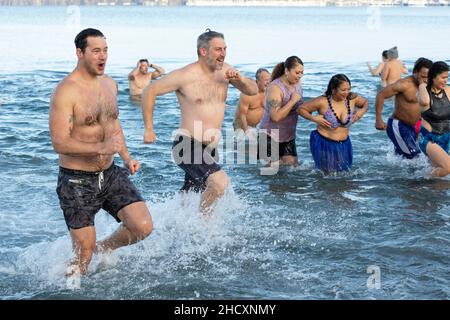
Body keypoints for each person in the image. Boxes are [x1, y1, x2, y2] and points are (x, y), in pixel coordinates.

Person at [49, 28, 153, 277]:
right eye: (95, 50)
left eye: (105, 50)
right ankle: (70, 292)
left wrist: (126, 157)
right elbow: (59, 142)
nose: (102, 56)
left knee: (142, 226)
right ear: (79, 52)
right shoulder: (66, 92)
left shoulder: (109, 84)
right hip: (76, 181)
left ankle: (104, 248)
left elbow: (114, 125)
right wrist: (100, 148)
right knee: (82, 255)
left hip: (110, 173)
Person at [141, 29, 257, 214]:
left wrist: (240, 79)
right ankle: (203, 230)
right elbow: (149, 91)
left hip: (210, 148)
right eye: (218, 49)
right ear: (204, 51)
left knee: (190, 196)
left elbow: (253, 90)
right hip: (186, 144)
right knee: (219, 183)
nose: (224, 53)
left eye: (225, 49)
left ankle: (171, 223)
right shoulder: (185, 75)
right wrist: (149, 128)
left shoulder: (225, 71)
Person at [298, 74, 368, 174]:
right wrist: (314, 118)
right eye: (343, 90)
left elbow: (365, 103)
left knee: (344, 176)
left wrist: (360, 113)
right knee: (328, 176)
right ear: (333, 89)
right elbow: (301, 109)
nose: (347, 92)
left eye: (349, 89)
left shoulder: (352, 99)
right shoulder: (322, 101)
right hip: (323, 143)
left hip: (344, 144)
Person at [375, 57, 433, 159]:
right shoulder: (404, 84)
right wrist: (378, 119)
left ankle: (395, 174)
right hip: (398, 125)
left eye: (429, 77)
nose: (426, 80)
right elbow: (381, 95)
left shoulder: (428, 85)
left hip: (415, 126)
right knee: (415, 157)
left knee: (404, 158)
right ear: (415, 72)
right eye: (423, 76)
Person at [258, 56, 304, 166]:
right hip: (269, 136)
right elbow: (275, 117)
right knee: (272, 173)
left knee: (293, 167)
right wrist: (292, 101)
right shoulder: (275, 88)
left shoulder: (297, 83)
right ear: (286, 70)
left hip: (288, 136)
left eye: (302, 72)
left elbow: (300, 107)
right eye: (297, 73)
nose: (300, 76)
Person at [417, 61, 450, 177]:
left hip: (446, 138)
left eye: (447, 77)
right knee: (447, 167)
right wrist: (422, 85)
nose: (445, 80)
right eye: (443, 77)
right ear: (433, 76)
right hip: (429, 139)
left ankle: (429, 188)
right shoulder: (424, 92)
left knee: (439, 170)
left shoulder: (448, 90)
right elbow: (424, 102)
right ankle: (423, 178)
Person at [233, 68, 270, 135]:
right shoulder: (247, 93)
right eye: (266, 80)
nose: (268, 82)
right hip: (241, 125)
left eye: (269, 80)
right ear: (257, 81)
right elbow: (242, 115)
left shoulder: (269, 92)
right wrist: (247, 133)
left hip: (258, 126)